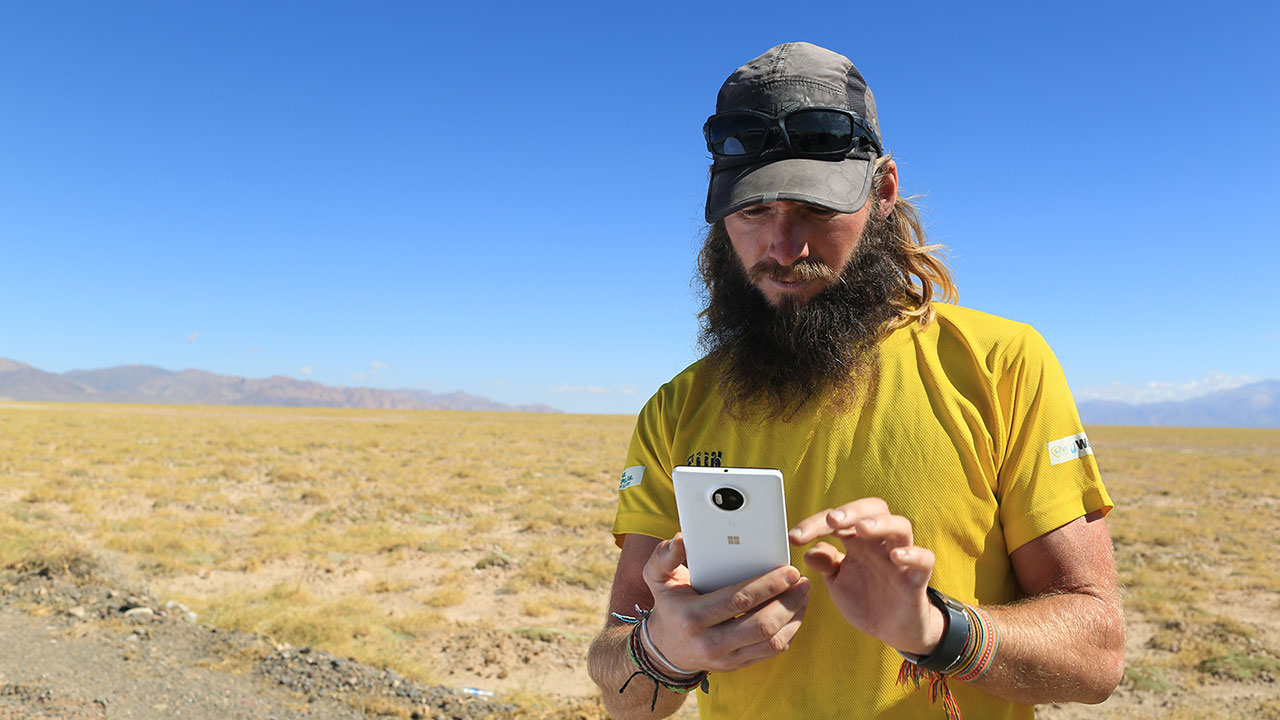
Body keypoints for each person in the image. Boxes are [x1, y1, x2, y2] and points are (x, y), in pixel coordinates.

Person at [586, 42, 1124, 720]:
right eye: (754, 212)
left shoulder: (1000, 365)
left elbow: (1098, 655)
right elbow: (622, 692)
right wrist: (664, 648)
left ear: (884, 192)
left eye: (815, 208)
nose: (784, 249)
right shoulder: (676, 409)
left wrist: (936, 631)